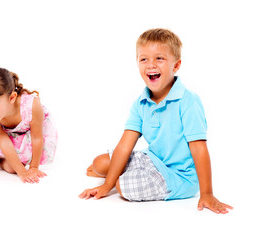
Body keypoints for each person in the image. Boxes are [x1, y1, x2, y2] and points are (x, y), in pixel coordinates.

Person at [79, 28, 233, 214]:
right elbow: (124, 146)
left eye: (159, 58)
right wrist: (106, 185)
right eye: (144, 59)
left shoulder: (188, 101)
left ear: (176, 66)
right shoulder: (141, 103)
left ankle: (125, 177)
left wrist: (207, 193)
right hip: (153, 160)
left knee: (122, 187)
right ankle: (118, 175)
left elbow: (199, 148)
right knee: (99, 163)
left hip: (179, 177)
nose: (151, 64)